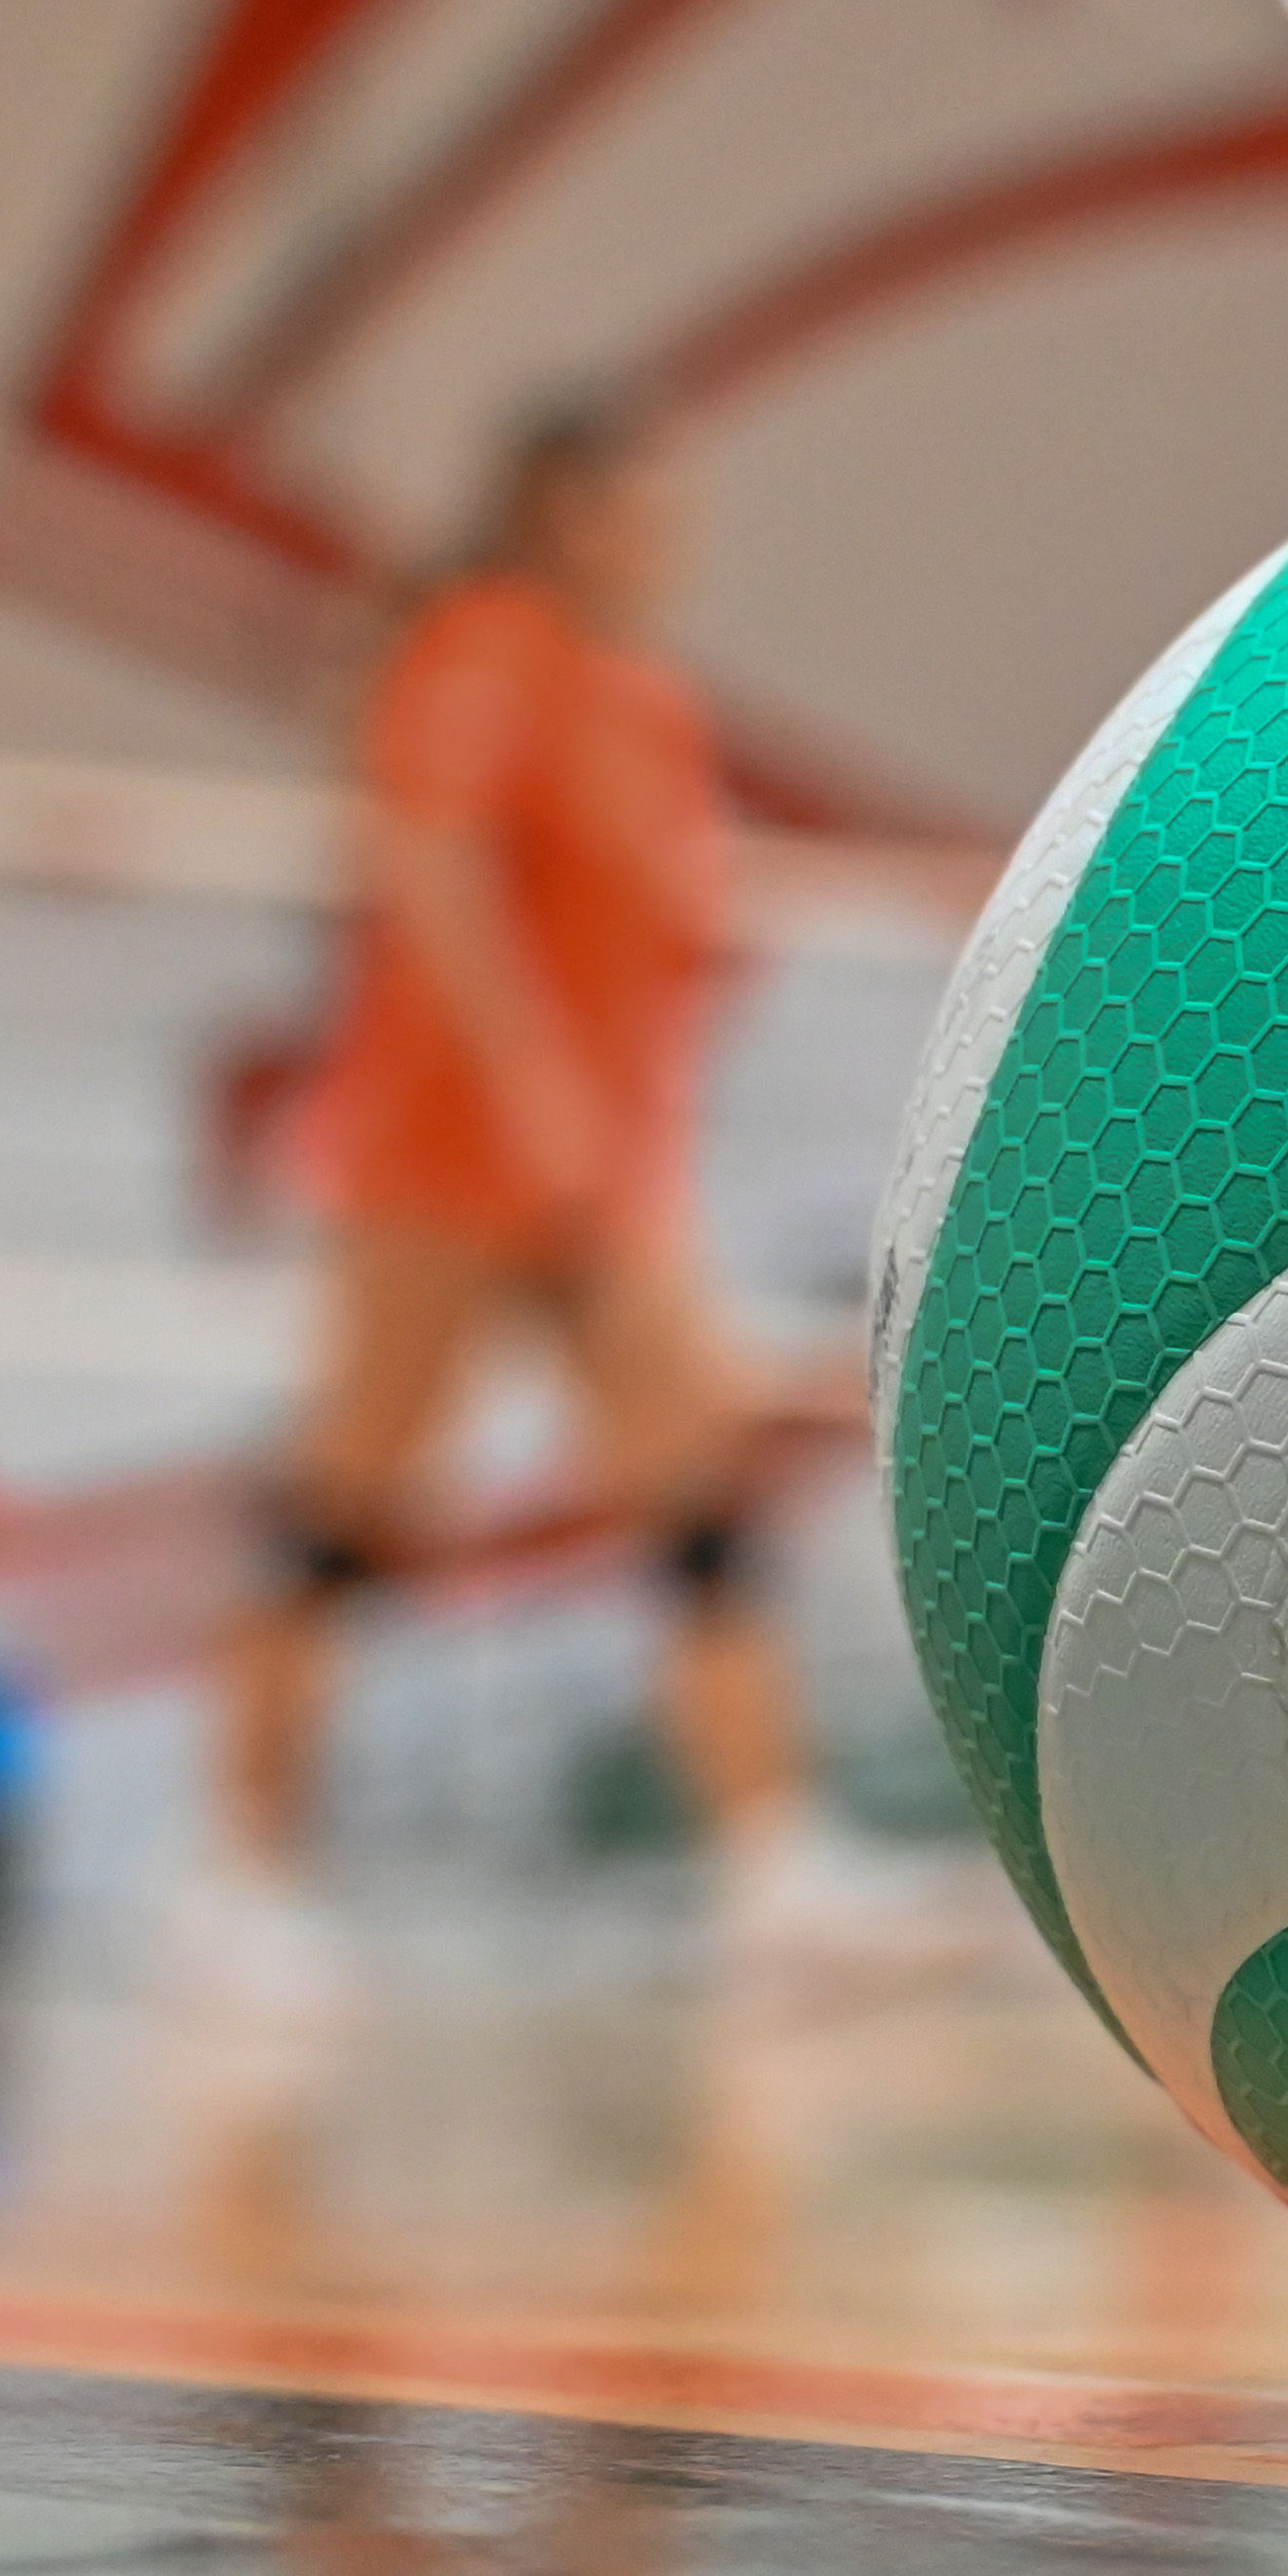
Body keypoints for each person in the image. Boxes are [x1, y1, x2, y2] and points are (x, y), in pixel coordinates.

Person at [170, 407, 926, 1993]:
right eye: (632, 511)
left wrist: (619, 1114)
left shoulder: (641, 697)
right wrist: (536, 1091)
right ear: (560, 512)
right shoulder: (484, 650)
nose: (662, 540)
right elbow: (432, 865)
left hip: (607, 1173)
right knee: (353, 1493)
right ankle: (236, 1879)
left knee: (693, 1494)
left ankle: (769, 1860)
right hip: (444, 1156)